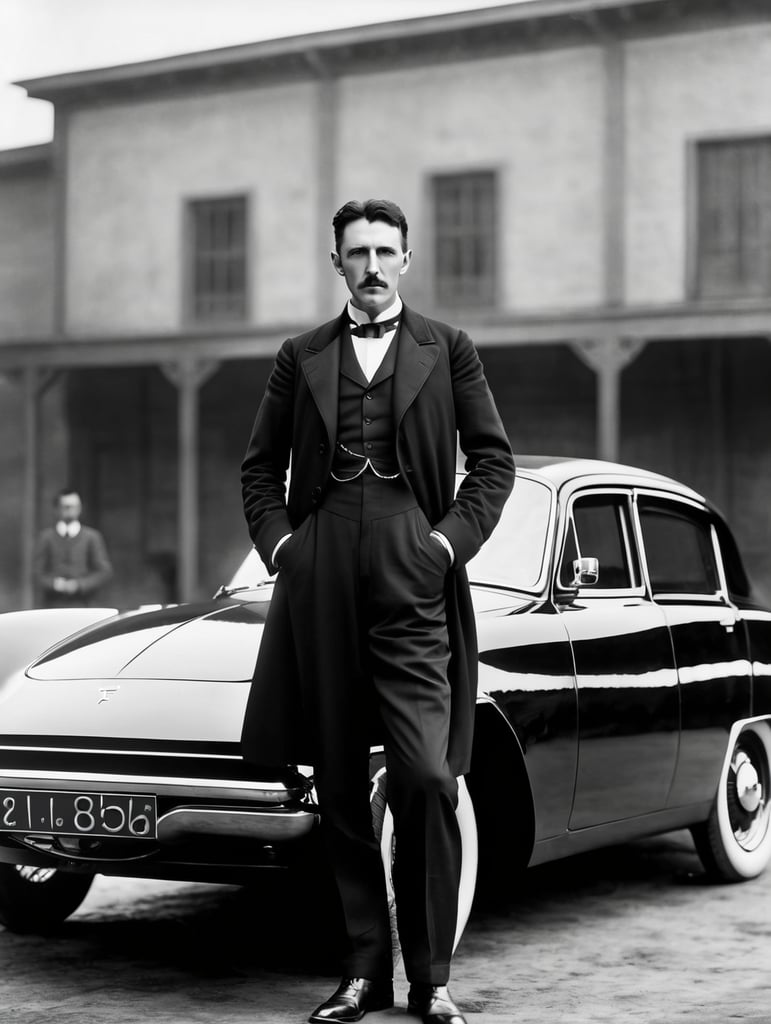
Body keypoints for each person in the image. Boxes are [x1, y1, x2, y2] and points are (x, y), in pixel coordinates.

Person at [240, 199, 515, 1024]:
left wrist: (441, 547)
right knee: (335, 781)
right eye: (355, 251)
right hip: (319, 568)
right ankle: (363, 971)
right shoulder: (300, 355)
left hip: (413, 569)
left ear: (406, 258)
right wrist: (286, 551)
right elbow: (259, 471)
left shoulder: (449, 349)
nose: (370, 265)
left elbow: (492, 463)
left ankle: (430, 978)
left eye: (384, 251)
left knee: (426, 778)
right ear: (335, 261)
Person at [33, 488, 113, 607]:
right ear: (56, 509)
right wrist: (55, 584)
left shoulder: (92, 537)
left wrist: (80, 585)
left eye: (74, 506)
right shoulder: (46, 538)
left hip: (84, 605)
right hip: (53, 606)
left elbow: (103, 571)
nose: (70, 510)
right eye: (66, 506)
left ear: (80, 508)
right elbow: (37, 573)